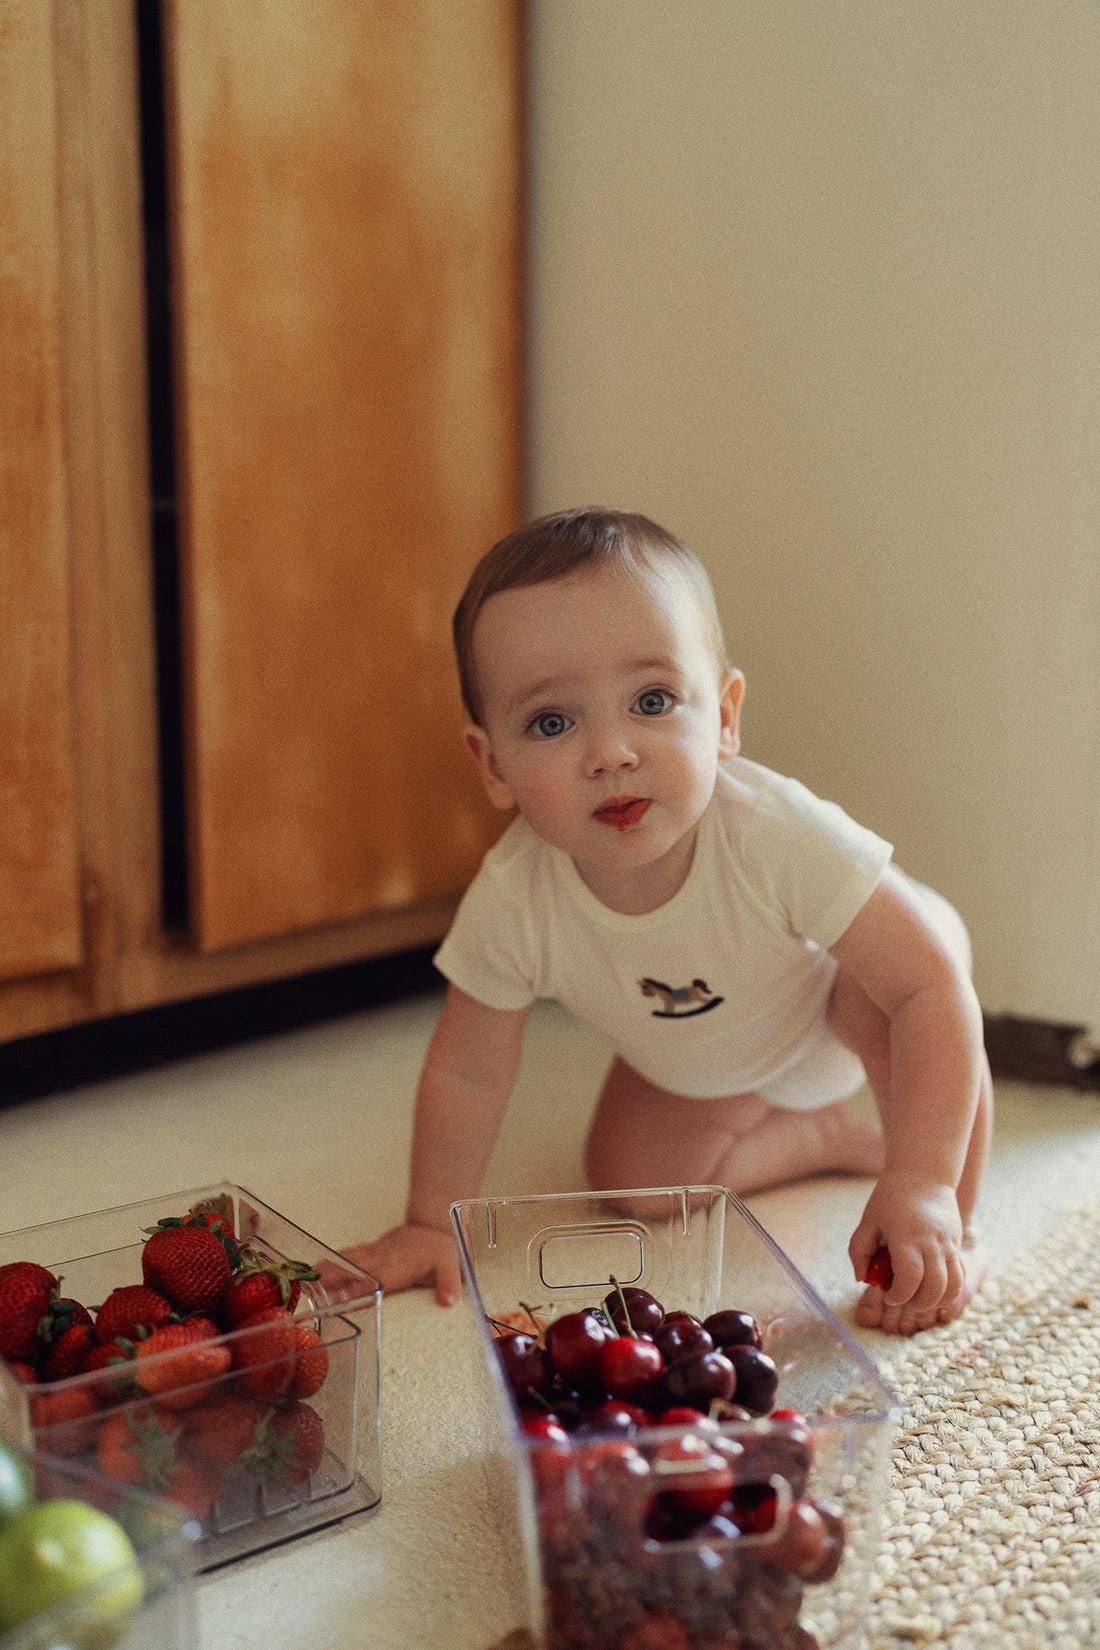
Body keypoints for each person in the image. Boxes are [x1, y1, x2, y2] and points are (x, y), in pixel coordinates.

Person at [344, 507, 992, 1336]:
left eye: (651, 700)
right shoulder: (516, 896)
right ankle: (823, 1135)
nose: (611, 752)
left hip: (854, 999)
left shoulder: (773, 834)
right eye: (552, 721)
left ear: (723, 717)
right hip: (716, 1048)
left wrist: (928, 1185)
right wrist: (433, 1220)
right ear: (492, 763)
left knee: (910, 1031)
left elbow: (930, 988)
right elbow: (468, 1071)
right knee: (635, 1179)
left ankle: (954, 1231)